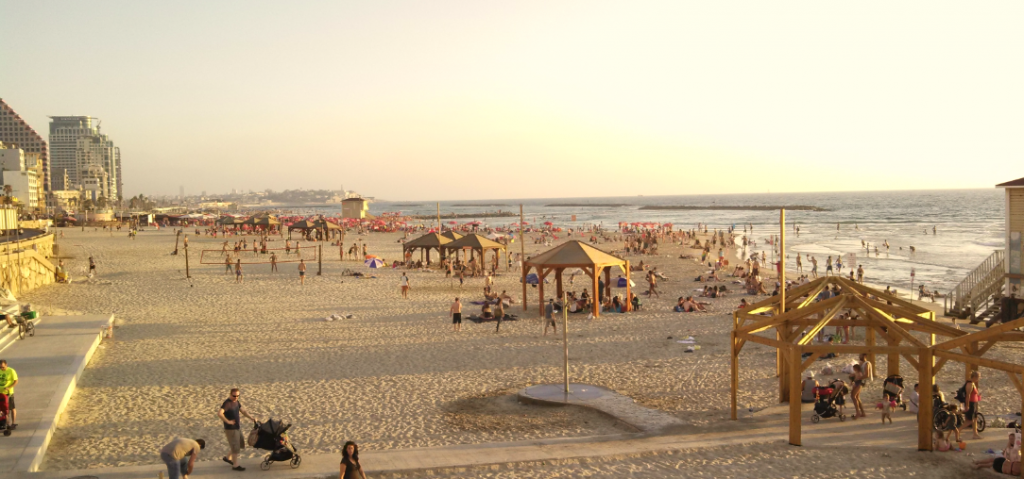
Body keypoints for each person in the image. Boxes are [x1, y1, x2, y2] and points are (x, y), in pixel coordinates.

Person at [218, 388, 256, 471]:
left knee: (239, 443)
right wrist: (228, 421)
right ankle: (235, 465)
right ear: (230, 394)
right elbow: (219, 413)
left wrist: (251, 418)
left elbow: (243, 411)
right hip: (231, 429)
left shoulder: (236, 402)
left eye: (238, 396)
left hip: (237, 427)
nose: (236, 397)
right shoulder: (227, 403)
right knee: (235, 447)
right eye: (234, 396)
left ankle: (228, 458)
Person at [963, 370, 983, 439]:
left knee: (975, 419)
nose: (979, 378)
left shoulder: (973, 383)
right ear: (974, 377)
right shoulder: (970, 384)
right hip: (971, 404)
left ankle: (975, 434)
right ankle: (958, 431)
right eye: (978, 377)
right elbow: (967, 396)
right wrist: (967, 405)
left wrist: (978, 396)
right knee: (969, 421)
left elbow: (973, 394)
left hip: (974, 403)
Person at [0, 359, 17, 429]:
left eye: (3, 367)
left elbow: (16, 381)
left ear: (6, 365)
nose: (2, 368)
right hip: (1, 393)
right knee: (3, 409)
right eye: (0, 367)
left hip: (8, 393)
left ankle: (13, 423)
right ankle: (6, 423)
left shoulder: (11, 371)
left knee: (11, 408)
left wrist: (9, 387)